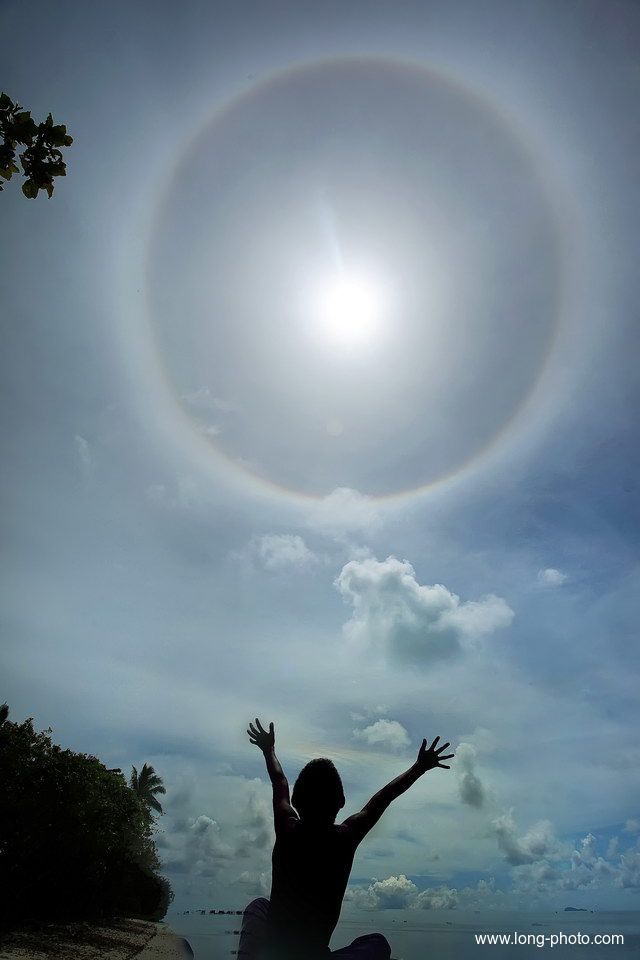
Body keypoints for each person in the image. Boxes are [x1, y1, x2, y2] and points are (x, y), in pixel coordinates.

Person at [238, 718, 454, 960]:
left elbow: (279, 781)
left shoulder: (287, 828)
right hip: (314, 956)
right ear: (341, 802)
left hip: (275, 951)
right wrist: (419, 768)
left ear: (296, 802)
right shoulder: (346, 837)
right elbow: (384, 797)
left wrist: (268, 750)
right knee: (377, 944)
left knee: (258, 906)